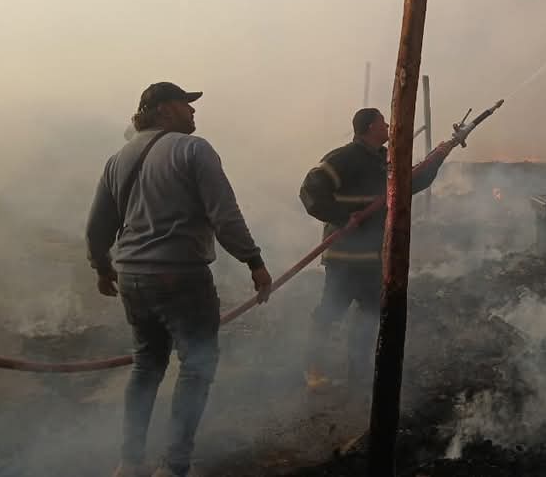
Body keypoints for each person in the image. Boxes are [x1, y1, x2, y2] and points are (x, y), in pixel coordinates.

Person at [86, 82, 273, 477]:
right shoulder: (194, 149)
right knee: (196, 366)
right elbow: (225, 215)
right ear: (163, 110)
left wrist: (103, 268)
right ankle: (174, 467)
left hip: (133, 278)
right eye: (185, 105)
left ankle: (130, 462)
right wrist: (254, 260)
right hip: (181, 278)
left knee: (146, 366)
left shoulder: (118, 158)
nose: (193, 113)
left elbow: (97, 227)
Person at [299, 107, 456, 389]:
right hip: (344, 259)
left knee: (370, 317)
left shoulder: (385, 160)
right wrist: (341, 217)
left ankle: (358, 373)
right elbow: (310, 191)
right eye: (384, 123)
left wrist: (442, 153)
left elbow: (411, 182)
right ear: (371, 127)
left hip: (373, 258)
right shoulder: (342, 158)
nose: (388, 127)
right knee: (329, 315)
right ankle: (314, 370)